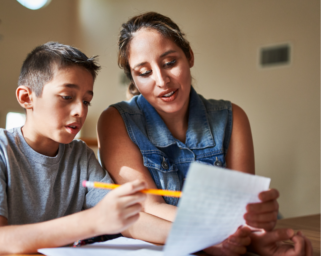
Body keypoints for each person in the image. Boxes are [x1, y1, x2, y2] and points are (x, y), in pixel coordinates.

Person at [97, 12, 313, 255]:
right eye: (144, 73)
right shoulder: (116, 121)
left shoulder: (233, 118)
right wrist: (215, 236)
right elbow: (148, 207)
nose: (162, 80)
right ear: (134, 79)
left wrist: (258, 238)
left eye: (169, 63)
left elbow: (243, 212)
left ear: (189, 56)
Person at [0, 42, 146, 255]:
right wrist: (93, 221)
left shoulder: (80, 156)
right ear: (26, 98)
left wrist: (182, 233)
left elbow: (129, 220)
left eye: (86, 101)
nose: (80, 110)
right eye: (67, 97)